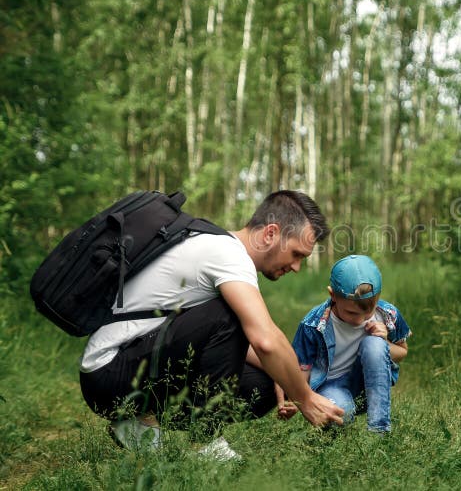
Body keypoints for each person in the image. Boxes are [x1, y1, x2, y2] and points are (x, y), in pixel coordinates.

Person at [78, 190, 344, 458]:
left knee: (263, 384)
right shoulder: (227, 255)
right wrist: (306, 399)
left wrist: (287, 379)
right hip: (108, 373)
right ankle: (205, 443)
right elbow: (264, 339)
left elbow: (238, 343)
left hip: (128, 368)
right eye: (297, 254)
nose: (297, 267)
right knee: (230, 315)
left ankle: (137, 424)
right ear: (271, 234)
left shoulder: (219, 246)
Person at [274, 255, 411, 433]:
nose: (360, 320)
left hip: (369, 384)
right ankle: (334, 439)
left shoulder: (388, 314)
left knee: (374, 344)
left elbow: (402, 352)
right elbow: (301, 368)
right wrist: (294, 399)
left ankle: (379, 431)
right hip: (331, 386)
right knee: (339, 414)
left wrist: (384, 342)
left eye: (368, 313)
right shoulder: (314, 325)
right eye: (352, 313)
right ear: (333, 295)